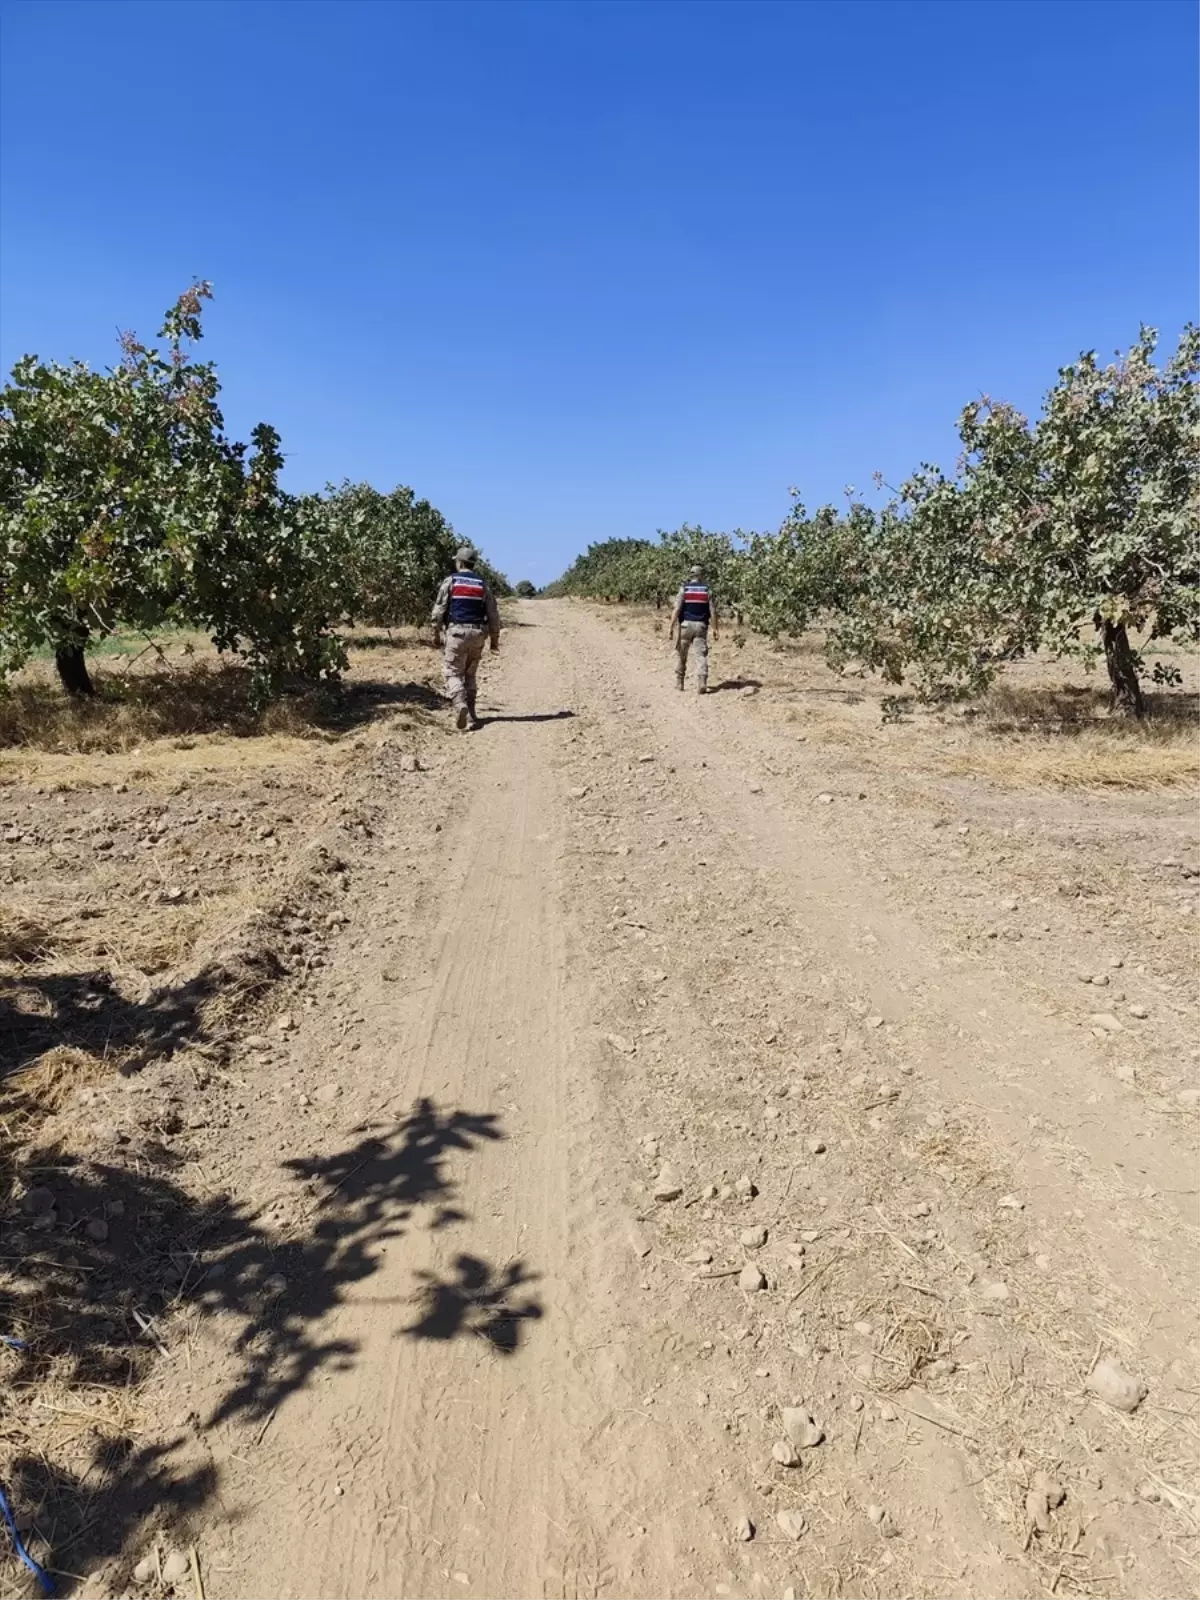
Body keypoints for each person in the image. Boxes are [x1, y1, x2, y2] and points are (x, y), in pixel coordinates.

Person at [431, 546, 501, 729]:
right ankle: (471, 713)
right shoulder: (482, 584)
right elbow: (493, 614)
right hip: (478, 634)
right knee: (470, 674)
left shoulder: (450, 581)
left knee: (452, 672)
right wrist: (494, 640)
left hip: (456, 633)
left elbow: (439, 610)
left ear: (459, 562)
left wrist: (436, 632)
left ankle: (460, 704)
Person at [669, 565, 718, 693]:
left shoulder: (684, 589)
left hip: (685, 626)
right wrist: (715, 628)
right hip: (701, 626)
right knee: (701, 655)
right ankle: (702, 682)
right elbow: (712, 611)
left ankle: (680, 682)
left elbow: (677, 608)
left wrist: (671, 626)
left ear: (691, 575)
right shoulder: (707, 590)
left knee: (682, 654)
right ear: (701, 575)